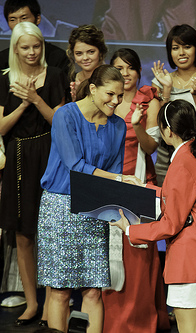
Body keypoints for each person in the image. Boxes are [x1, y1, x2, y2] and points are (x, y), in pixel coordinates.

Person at [36, 65, 138, 333]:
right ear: (93, 89)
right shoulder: (65, 116)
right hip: (60, 208)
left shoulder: (116, 125)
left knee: (93, 290)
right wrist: (118, 180)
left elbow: (116, 169)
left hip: (95, 207)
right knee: (60, 290)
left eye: (120, 96)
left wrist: (123, 208)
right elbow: (74, 165)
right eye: (111, 94)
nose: (116, 101)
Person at [110, 99, 196, 333]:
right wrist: (142, 188)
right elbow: (180, 198)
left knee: (189, 328)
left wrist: (130, 230)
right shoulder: (195, 154)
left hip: (188, 259)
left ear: (168, 131)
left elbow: (172, 223)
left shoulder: (182, 163)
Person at [0, 21, 65, 326]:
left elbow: (61, 123)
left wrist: (36, 99)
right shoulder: (5, 79)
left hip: (49, 152)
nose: (31, 52)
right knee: (24, 233)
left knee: (51, 230)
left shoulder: (54, 76)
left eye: (36, 46)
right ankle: (31, 302)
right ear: (15, 48)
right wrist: (23, 102)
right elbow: (1, 128)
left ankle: (56, 298)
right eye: (25, 47)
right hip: (18, 156)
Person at [102, 48, 170, 332]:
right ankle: (114, 320)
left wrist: (136, 125)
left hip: (139, 185)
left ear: (138, 71)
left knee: (139, 256)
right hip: (106, 185)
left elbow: (152, 148)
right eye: (119, 67)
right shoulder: (105, 102)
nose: (126, 72)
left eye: (131, 67)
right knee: (111, 258)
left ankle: (141, 321)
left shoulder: (148, 101)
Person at [151, 24, 196, 192]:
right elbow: (160, 126)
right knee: (168, 212)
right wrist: (167, 90)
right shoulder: (161, 81)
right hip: (166, 158)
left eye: (187, 46)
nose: (181, 53)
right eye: (175, 48)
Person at [0, 0, 69, 75]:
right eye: (13, 20)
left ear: (38, 19)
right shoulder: (2, 59)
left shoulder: (58, 58)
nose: (19, 24)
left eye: (24, 18)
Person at [66, 25, 107, 101]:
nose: (85, 58)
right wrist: (74, 100)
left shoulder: (111, 78)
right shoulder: (72, 80)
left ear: (100, 52)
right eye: (79, 53)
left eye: (91, 52)